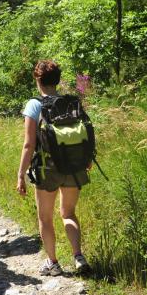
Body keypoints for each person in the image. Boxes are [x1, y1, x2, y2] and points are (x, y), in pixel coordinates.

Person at [16, 60, 91, 276]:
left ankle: (53, 263)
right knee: (68, 213)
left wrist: (21, 174)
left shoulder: (34, 105)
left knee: (45, 218)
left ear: (37, 79)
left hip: (47, 169)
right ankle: (78, 256)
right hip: (74, 166)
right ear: (57, 80)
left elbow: (29, 144)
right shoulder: (71, 102)